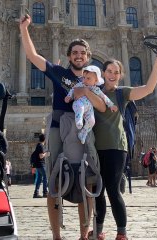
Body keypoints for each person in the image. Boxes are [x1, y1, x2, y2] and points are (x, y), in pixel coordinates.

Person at [19, 14, 106, 240]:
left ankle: (83, 234)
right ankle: (57, 235)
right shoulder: (59, 73)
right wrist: (24, 29)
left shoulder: (94, 82)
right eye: (74, 52)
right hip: (59, 126)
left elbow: (103, 106)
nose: (78, 56)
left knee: (85, 180)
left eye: (82, 53)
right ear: (69, 56)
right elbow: (32, 56)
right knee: (55, 179)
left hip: (84, 129)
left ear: (88, 57)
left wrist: (86, 92)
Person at [92, 56, 157, 240]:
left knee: (113, 190)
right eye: (109, 71)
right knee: (97, 191)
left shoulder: (121, 93)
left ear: (120, 75)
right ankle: (98, 230)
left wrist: (156, 66)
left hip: (117, 148)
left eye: (116, 72)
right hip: (94, 148)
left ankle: (121, 232)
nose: (113, 75)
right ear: (103, 73)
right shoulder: (94, 91)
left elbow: (148, 89)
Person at [64, 65, 118, 144]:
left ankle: (83, 133)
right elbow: (73, 90)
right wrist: (69, 96)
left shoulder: (96, 89)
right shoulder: (80, 85)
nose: (85, 80)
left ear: (95, 81)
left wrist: (111, 105)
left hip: (89, 108)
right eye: (84, 77)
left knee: (92, 121)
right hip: (78, 103)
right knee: (80, 108)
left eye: (88, 78)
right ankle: (78, 121)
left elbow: (104, 97)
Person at [32, 134, 48, 198]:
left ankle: (36, 193)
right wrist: (46, 154)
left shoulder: (38, 145)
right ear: (45, 139)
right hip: (41, 164)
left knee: (39, 179)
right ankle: (45, 192)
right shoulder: (41, 146)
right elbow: (41, 156)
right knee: (45, 177)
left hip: (37, 165)